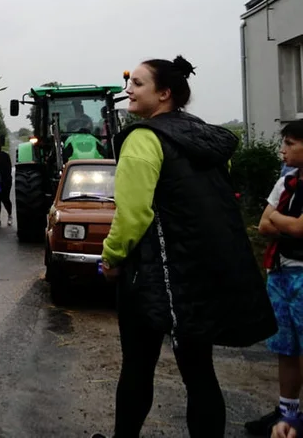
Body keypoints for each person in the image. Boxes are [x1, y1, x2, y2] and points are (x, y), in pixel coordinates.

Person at [94, 56, 276, 438]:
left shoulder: (144, 138)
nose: (129, 90)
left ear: (164, 94)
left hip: (151, 276)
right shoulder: (204, 139)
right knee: (199, 372)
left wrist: (111, 259)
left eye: (138, 84)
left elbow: (133, 216)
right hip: (199, 273)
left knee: (138, 368)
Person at [246, 122, 303, 437]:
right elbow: (263, 225)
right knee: (287, 347)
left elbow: (297, 229)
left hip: (302, 274)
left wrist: (281, 222)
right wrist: (288, 222)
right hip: (280, 272)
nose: (283, 149)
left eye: (290, 143)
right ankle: (287, 411)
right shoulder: (287, 182)